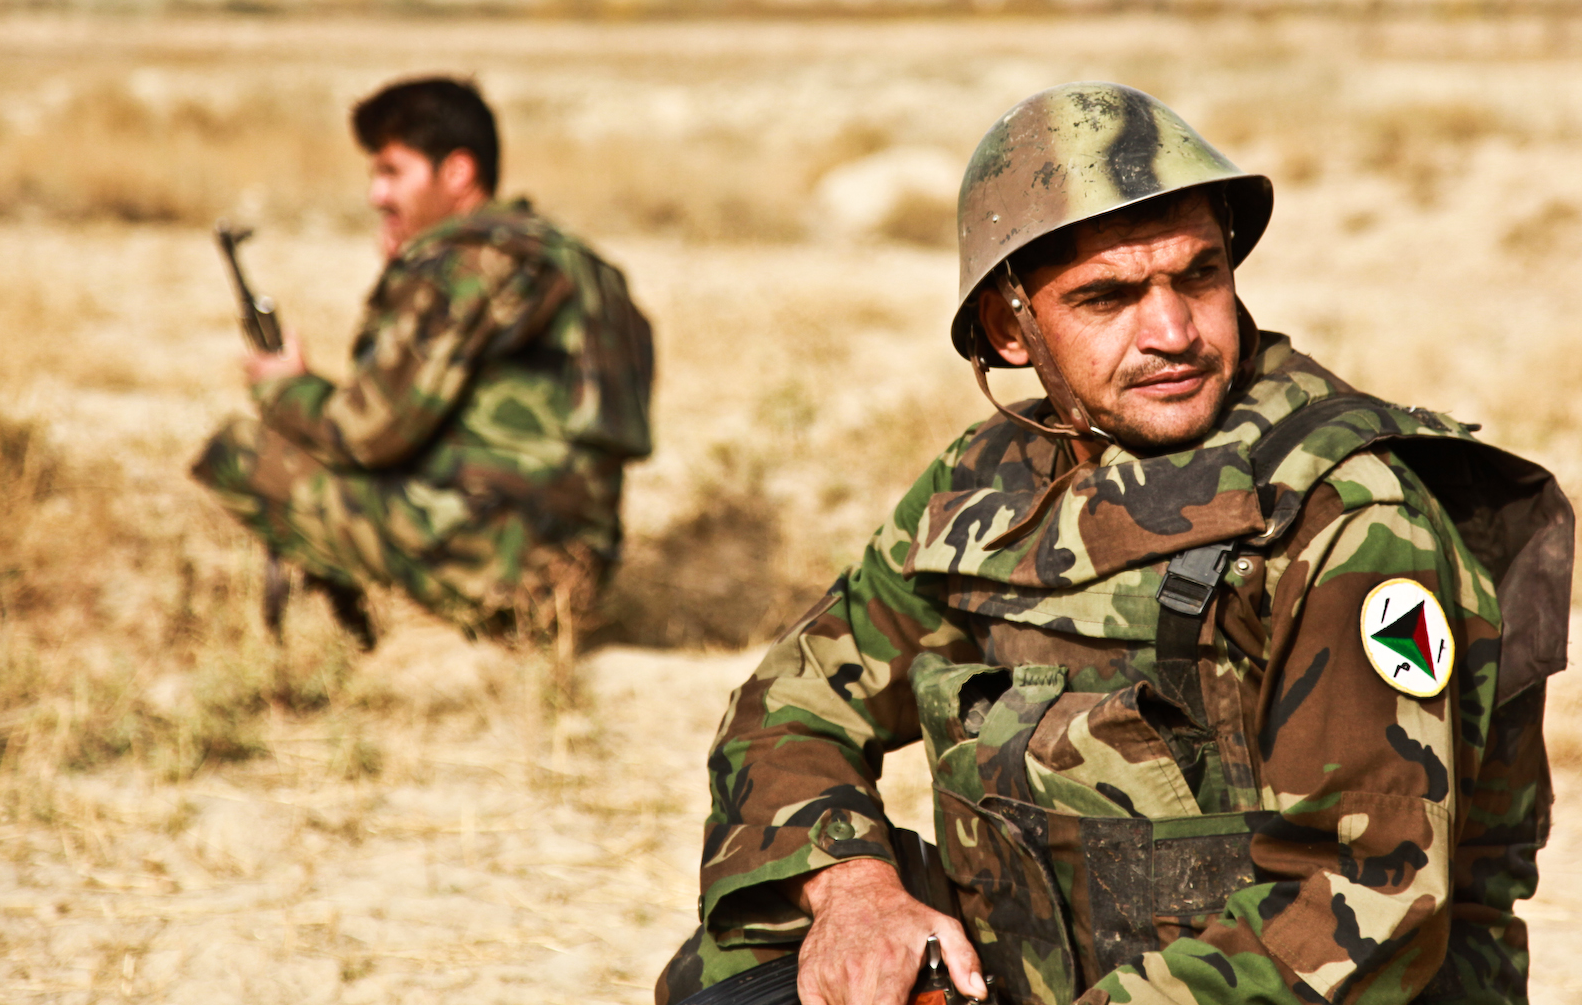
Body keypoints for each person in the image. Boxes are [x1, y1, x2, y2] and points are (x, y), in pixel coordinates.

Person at [658, 82, 1571, 1005]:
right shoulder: (986, 482)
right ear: (1009, 329)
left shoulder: (1347, 516)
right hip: (1055, 965)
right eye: (1110, 296)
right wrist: (853, 889)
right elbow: (789, 708)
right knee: (736, 976)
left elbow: (1364, 904)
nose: (1174, 331)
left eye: (1200, 275)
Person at [193, 76, 653, 649]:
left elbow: (366, 434)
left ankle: (363, 635)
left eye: (391, 171)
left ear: (457, 172)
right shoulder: (583, 265)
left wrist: (283, 388)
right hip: (578, 576)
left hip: (490, 568)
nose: (376, 195)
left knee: (240, 451)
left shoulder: (466, 262)